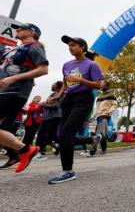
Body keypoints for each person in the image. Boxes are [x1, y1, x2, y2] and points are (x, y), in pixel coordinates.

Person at [48, 36, 103, 184]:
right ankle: (92, 140)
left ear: (82, 47)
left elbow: (99, 85)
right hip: (68, 100)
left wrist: (81, 80)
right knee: (63, 135)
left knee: (66, 133)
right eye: (69, 45)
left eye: (73, 45)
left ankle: (68, 171)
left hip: (83, 99)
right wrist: (58, 96)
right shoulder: (66, 65)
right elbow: (66, 84)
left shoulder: (91, 65)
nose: (70, 47)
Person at [0, 22, 48, 171]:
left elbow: (44, 69)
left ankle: (24, 150)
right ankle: (24, 150)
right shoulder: (14, 49)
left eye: (21, 28)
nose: (18, 30)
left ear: (32, 32)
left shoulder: (34, 47)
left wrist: (14, 78)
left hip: (14, 91)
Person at [86, 80, 117, 156]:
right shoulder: (99, 96)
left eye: (102, 84)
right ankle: (104, 150)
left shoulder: (111, 95)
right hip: (98, 116)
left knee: (99, 133)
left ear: (107, 86)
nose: (100, 85)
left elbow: (115, 105)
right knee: (103, 133)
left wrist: (109, 111)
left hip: (105, 116)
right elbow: (96, 108)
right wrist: (92, 117)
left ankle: (93, 150)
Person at [34, 81, 63, 161]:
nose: (51, 85)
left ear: (57, 86)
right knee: (41, 134)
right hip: (46, 117)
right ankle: (56, 147)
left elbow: (56, 106)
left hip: (53, 117)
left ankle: (41, 153)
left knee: (47, 136)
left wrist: (42, 104)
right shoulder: (52, 95)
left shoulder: (58, 95)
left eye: (53, 84)